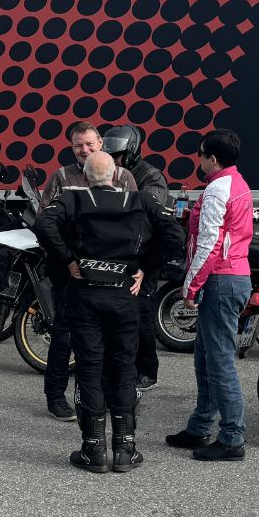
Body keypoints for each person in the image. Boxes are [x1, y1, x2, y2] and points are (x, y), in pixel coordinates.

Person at [34, 151, 184, 473]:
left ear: (86, 176)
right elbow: (175, 235)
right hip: (124, 297)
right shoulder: (140, 200)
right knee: (123, 367)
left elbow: (43, 224)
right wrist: (145, 267)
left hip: (86, 295)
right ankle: (125, 449)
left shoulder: (72, 199)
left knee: (89, 369)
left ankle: (94, 450)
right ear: (116, 176)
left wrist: (68, 260)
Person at [165, 129, 254, 462]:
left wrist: (190, 286)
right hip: (231, 278)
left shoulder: (217, 189)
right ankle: (200, 426)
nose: (199, 159)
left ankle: (232, 438)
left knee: (218, 363)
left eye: (200, 154)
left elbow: (210, 244)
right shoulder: (237, 183)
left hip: (221, 281)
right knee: (205, 358)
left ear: (212, 158)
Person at [39, 121, 137, 422]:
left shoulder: (123, 177)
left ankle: (93, 397)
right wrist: (67, 260)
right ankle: (56, 397)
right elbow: (45, 223)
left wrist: (137, 268)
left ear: (101, 144)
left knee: (105, 338)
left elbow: (137, 226)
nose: (84, 150)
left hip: (110, 273)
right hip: (72, 273)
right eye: (78, 145)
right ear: (71, 148)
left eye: (89, 144)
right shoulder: (61, 177)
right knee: (65, 333)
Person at [100, 125, 177, 392]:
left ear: (131, 152)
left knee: (140, 310)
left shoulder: (151, 177)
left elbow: (147, 218)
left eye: (118, 155)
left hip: (146, 255)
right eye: (110, 155)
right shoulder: (111, 173)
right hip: (121, 254)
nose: (114, 160)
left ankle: (147, 371)